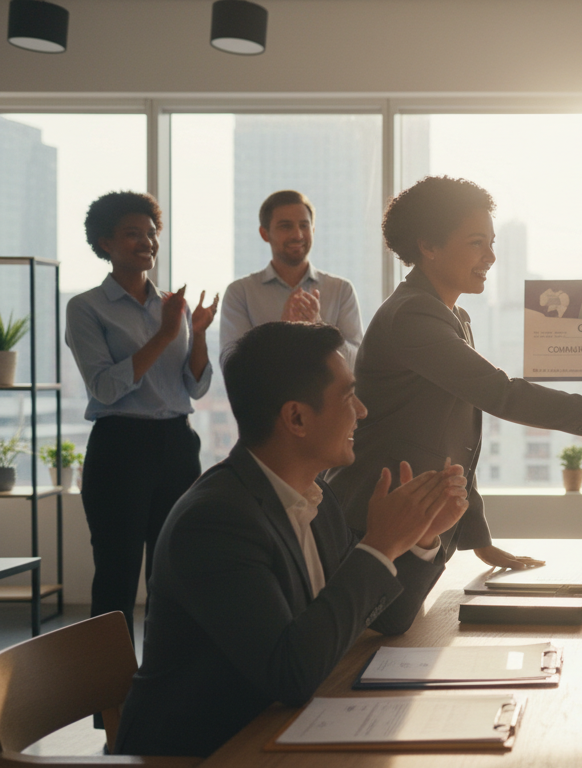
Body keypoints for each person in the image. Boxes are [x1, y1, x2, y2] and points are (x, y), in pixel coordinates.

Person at [116, 322, 465, 758]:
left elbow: (384, 620)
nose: (362, 410)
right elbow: (290, 674)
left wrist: (418, 538)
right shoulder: (216, 520)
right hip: (207, 753)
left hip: (281, 730)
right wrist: (378, 546)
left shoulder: (318, 499)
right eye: (347, 396)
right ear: (296, 417)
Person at [325, 176, 582, 570]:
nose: (490, 257)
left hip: (415, 521)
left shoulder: (452, 316)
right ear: (428, 246)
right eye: (476, 243)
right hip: (376, 519)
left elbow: (458, 444)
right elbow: (503, 394)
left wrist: (481, 542)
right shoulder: (412, 316)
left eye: (491, 243)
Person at [65, 191, 218, 644]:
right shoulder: (86, 307)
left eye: (151, 233)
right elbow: (105, 387)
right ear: (105, 242)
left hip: (177, 443)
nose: (146, 242)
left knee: (172, 575)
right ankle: (106, 703)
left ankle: (163, 689)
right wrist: (168, 332)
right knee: (116, 573)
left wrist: (198, 334)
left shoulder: (174, 305)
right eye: (132, 234)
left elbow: (196, 386)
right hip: (120, 447)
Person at [218, 190, 363, 362]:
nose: (297, 235)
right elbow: (233, 369)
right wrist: (281, 333)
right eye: (285, 226)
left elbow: (358, 364)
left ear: (313, 229)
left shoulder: (341, 290)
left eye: (304, 225)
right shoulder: (240, 293)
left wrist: (320, 330)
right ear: (264, 234)